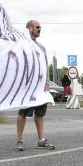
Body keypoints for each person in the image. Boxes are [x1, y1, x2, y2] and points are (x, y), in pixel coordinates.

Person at [15, 20, 55, 152]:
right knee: (23, 112)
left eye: (40, 27)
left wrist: (47, 83)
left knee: (40, 113)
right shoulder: (23, 45)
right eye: (37, 27)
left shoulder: (42, 48)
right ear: (30, 28)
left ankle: (41, 140)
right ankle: (19, 141)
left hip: (40, 86)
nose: (39, 29)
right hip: (27, 86)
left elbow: (45, 66)